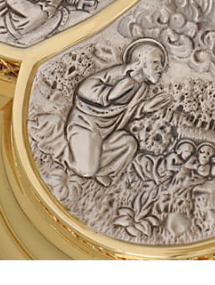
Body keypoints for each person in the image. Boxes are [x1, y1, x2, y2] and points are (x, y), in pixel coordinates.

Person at [64, 39, 167, 184]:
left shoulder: (142, 88)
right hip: (85, 125)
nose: (160, 68)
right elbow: (85, 89)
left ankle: (100, 170)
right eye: (155, 62)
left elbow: (127, 112)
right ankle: (63, 152)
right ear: (138, 62)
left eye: (161, 63)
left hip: (107, 132)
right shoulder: (117, 75)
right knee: (85, 170)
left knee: (129, 144)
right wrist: (110, 94)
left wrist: (145, 108)